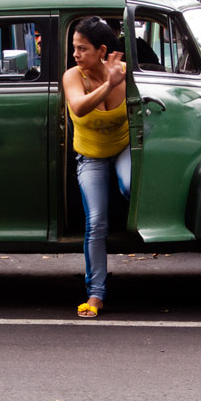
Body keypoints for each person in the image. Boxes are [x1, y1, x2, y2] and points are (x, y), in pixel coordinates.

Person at [62, 17, 130, 318]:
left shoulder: (126, 73)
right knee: (96, 222)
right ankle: (96, 293)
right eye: (74, 48)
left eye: (82, 49)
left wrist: (118, 78)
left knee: (130, 187)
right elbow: (78, 106)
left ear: (101, 50)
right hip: (90, 156)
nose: (76, 54)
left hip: (125, 148)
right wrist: (109, 85)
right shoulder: (73, 76)